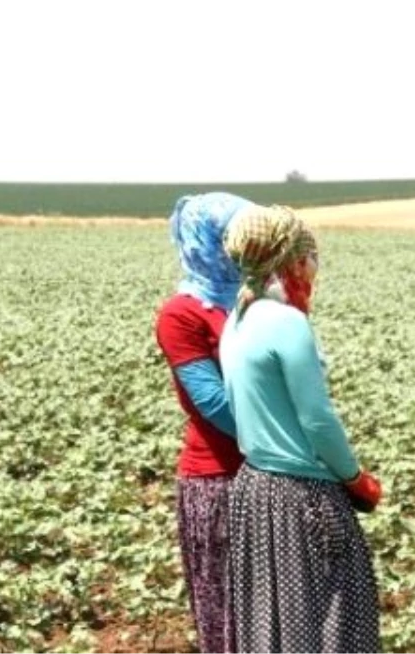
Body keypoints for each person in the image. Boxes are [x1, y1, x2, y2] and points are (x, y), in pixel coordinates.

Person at [219, 205, 383, 653]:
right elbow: (316, 418)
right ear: (291, 260)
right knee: (332, 620)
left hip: (254, 491)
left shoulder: (235, 323)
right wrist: (355, 478)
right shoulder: (287, 323)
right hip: (301, 496)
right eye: (311, 256)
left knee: (274, 621)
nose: (315, 267)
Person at [153, 191, 256, 653]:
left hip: (270, 473)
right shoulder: (182, 315)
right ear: (209, 241)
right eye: (234, 237)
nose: (245, 248)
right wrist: (285, 436)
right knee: (230, 618)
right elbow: (213, 404)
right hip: (219, 481)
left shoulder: (251, 301)